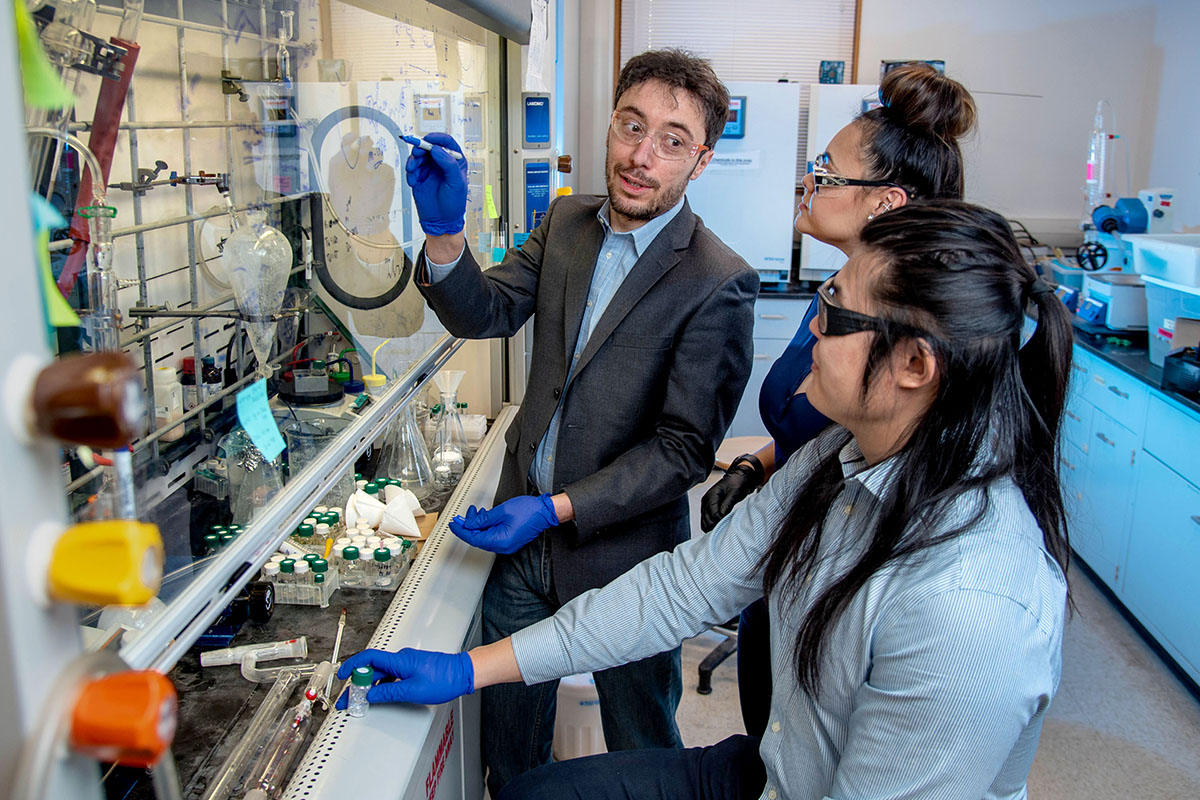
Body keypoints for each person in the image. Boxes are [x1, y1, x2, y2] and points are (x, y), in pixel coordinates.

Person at [335, 200, 1074, 800]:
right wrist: (470, 671)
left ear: (915, 364)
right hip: (775, 770)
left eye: (836, 312)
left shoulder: (970, 609)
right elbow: (684, 587)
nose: (812, 327)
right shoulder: (837, 459)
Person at [402, 49, 759, 793]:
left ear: (701, 160)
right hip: (521, 555)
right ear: (610, 123)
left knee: (643, 747)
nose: (640, 155)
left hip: (627, 563)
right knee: (511, 748)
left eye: (670, 139)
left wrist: (557, 508)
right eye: (631, 126)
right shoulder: (567, 222)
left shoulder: (717, 280)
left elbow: (683, 450)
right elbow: (487, 311)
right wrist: (444, 236)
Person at [700, 62, 978, 738]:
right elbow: (821, 431)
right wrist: (757, 467)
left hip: (834, 578)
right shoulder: (838, 294)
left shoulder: (895, 340)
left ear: (884, 204)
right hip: (786, 549)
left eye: (825, 171)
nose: (808, 182)